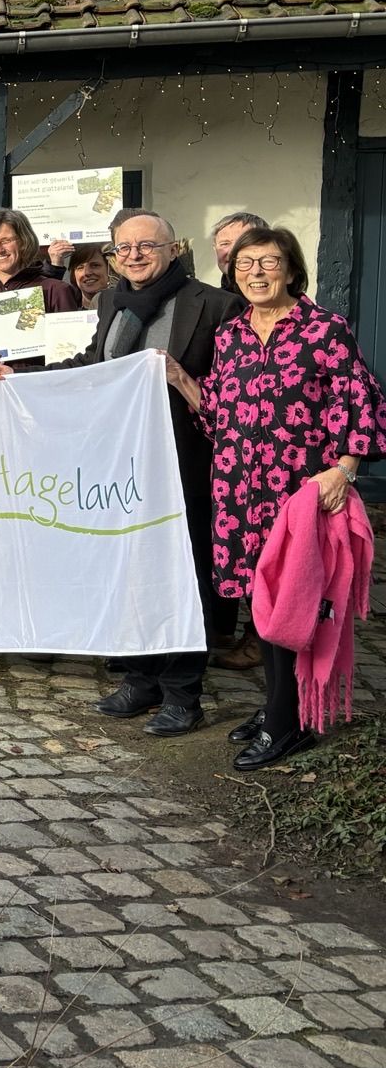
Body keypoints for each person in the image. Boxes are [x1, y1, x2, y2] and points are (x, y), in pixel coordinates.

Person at [197, 226, 384, 770]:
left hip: (297, 491)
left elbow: (360, 401)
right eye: (245, 263)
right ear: (232, 273)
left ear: (292, 270)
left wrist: (344, 469)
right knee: (259, 599)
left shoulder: (325, 330)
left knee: (290, 599)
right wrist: (178, 378)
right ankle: (279, 703)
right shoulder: (231, 335)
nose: (256, 272)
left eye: (269, 262)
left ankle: (288, 726)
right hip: (237, 488)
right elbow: (217, 412)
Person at [70, 211, 244, 738]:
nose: (135, 256)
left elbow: (236, 394)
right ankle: (142, 678)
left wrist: (181, 377)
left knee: (185, 573)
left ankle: (183, 693)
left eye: (147, 246)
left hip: (189, 464)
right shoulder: (112, 302)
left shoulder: (215, 304)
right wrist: (19, 377)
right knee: (130, 563)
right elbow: (93, 363)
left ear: (174, 248)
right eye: (123, 249)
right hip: (124, 464)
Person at [0, 208, 84, 385]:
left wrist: (19, 374)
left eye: (6, 241)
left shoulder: (55, 291)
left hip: (34, 398)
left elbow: (69, 360)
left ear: (24, 242)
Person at [210, 210, 268, 296]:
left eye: (242, 242)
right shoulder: (211, 303)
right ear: (215, 249)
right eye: (225, 244)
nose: (232, 251)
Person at [67, 243, 114, 312]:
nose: (87, 273)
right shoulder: (66, 309)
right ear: (73, 275)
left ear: (109, 269)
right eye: (80, 267)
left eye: (95, 265)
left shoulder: (122, 307)